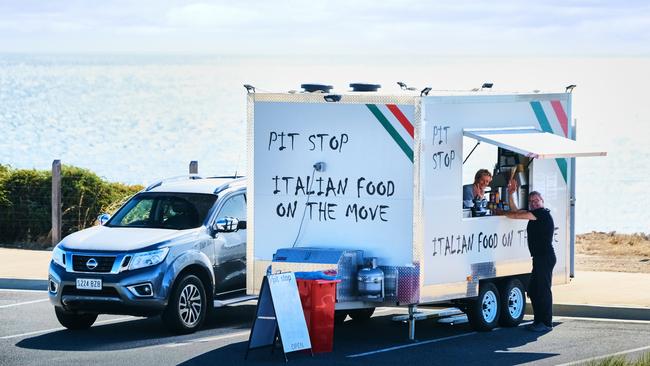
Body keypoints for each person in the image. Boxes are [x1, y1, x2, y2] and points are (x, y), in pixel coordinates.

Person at [503, 180, 556, 332]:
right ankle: (538, 319)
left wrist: (502, 212)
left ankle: (545, 323)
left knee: (543, 290)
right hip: (538, 258)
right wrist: (511, 194)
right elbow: (516, 211)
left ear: (542, 202)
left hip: (545, 257)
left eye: (536, 200)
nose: (534, 203)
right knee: (533, 289)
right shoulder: (533, 214)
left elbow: (515, 215)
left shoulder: (542, 214)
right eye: (531, 201)